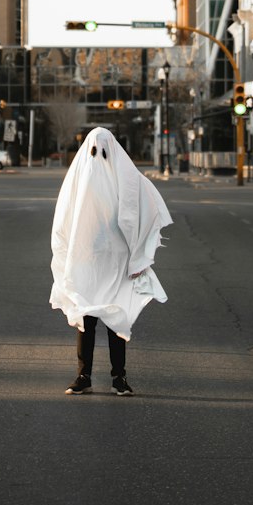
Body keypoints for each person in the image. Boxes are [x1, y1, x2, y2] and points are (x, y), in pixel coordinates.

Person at [50, 126, 172, 396]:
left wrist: (138, 257)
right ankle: (84, 375)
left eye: (103, 152)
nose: (99, 158)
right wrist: (66, 257)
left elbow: (144, 210)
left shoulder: (127, 180)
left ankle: (119, 377)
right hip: (87, 261)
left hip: (118, 262)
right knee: (87, 319)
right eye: (94, 152)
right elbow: (64, 220)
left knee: (117, 319)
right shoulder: (78, 182)